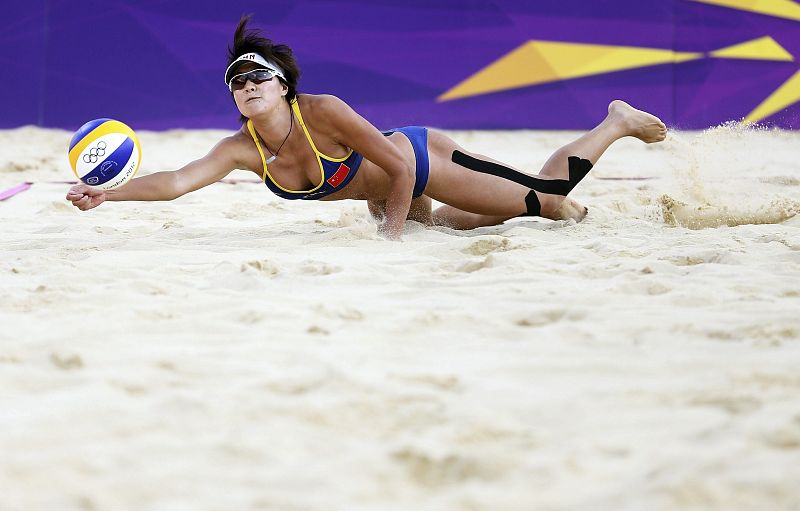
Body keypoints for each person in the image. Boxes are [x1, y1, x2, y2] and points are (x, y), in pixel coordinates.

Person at [67, 15, 667, 240]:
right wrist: (108, 193)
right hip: (390, 196)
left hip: (421, 162)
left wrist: (393, 237)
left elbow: (401, 167)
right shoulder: (240, 149)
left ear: (282, 84)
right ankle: (529, 207)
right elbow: (175, 181)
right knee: (475, 226)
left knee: (547, 198)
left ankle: (614, 122)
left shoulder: (322, 109)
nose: (246, 86)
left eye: (257, 76)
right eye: (236, 81)